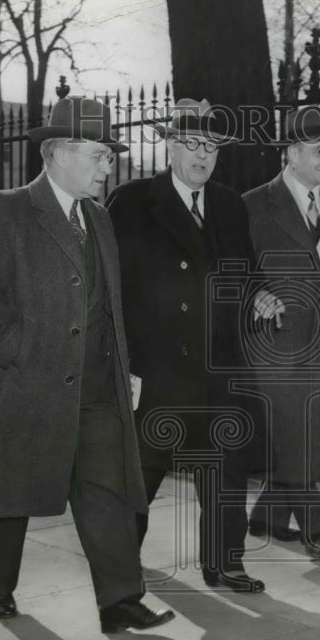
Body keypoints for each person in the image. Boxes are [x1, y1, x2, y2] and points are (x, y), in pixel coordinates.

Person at [0, 96, 175, 632]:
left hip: (98, 383)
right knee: (14, 488)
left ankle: (120, 600)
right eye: (99, 155)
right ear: (57, 152)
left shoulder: (98, 218)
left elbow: (108, 303)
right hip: (30, 380)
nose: (108, 167)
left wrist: (124, 367)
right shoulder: (7, 210)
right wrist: (18, 351)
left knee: (105, 490)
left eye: (108, 156)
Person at [106, 98, 282, 594]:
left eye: (211, 147)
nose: (202, 156)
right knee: (142, 473)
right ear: (170, 146)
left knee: (227, 469)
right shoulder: (133, 201)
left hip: (221, 365)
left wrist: (261, 294)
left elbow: (246, 272)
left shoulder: (229, 204)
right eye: (192, 144)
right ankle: (120, 565)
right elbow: (112, 286)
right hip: (158, 366)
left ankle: (225, 563)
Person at [242, 106, 320, 559]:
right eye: (319, 151)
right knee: (294, 436)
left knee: (306, 433)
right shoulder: (254, 204)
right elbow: (233, 271)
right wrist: (256, 295)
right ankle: (318, 526)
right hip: (277, 345)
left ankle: (267, 517)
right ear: (291, 154)